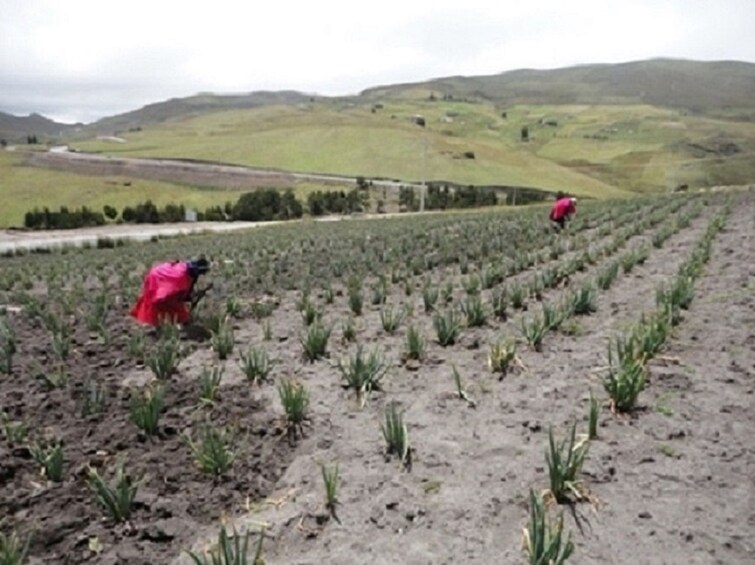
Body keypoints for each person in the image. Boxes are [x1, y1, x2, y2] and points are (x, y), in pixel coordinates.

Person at [130, 257, 210, 326]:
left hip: (160, 273)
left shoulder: (188, 269)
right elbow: (171, 293)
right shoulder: (181, 277)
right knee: (161, 303)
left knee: (170, 305)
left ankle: (166, 320)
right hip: (157, 278)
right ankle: (155, 321)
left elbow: (188, 287)